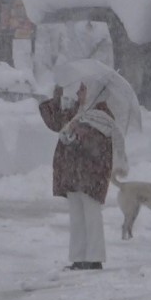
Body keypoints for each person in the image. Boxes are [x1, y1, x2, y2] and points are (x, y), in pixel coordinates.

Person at [40, 82, 117, 270]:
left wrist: (78, 134)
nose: (77, 92)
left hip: (91, 175)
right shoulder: (77, 111)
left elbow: (97, 144)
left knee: (91, 216)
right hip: (73, 173)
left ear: (93, 93)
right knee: (76, 217)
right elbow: (55, 122)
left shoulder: (103, 116)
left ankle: (94, 258)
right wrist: (56, 97)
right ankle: (79, 256)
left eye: (82, 89)